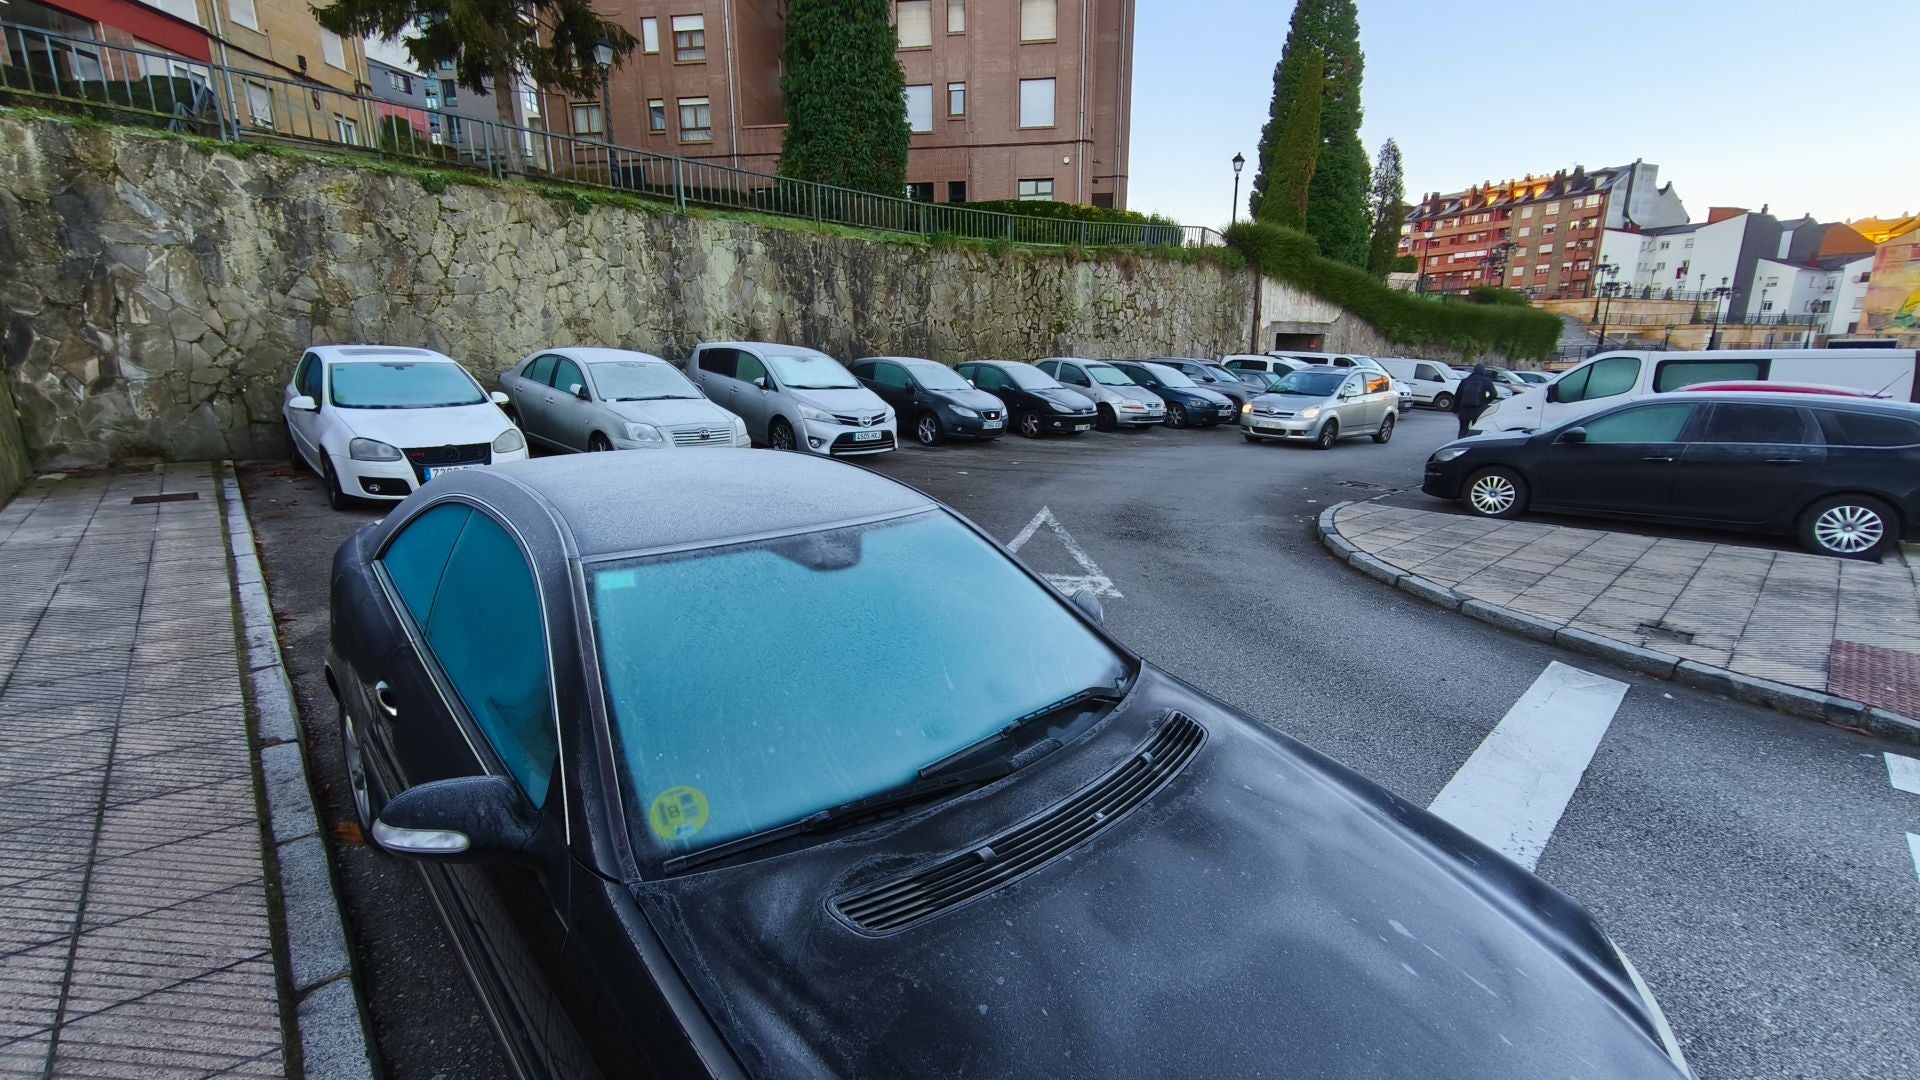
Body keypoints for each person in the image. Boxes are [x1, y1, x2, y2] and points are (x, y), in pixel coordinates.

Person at [1453, 364, 1497, 438]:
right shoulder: (1486, 381)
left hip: (1464, 409)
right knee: (1476, 430)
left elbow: (1457, 396)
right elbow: (1494, 394)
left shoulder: (1465, 380)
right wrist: (1485, 401)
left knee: (1463, 429)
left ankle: (1460, 446)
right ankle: (1472, 446)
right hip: (1479, 410)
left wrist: (1455, 410)